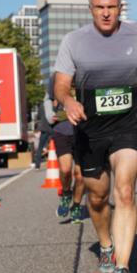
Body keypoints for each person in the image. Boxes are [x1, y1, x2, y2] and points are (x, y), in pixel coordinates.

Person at [55, 0, 137, 273]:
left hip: (128, 125)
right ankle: (105, 243)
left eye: (111, 7)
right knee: (98, 196)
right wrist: (69, 101)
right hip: (90, 129)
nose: (106, 13)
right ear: (90, 9)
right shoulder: (74, 41)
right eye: (100, 7)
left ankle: (123, 268)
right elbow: (62, 84)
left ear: (120, 8)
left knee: (126, 190)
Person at [52, 91, 85, 223]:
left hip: (83, 132)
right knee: (65, 170)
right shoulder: (58, 78)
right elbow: (50, 100)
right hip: (62, 131)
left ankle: (76, 206)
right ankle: (66, 194)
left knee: (80, 175)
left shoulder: (85, 74)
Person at [33, 91, 55, 169]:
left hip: (44, 128)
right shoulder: (52, 104)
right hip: (52, 127)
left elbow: (38, 116)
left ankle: (37, 165)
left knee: (40, 147)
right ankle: (57, 162)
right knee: (56, 145)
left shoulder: (41, 105)